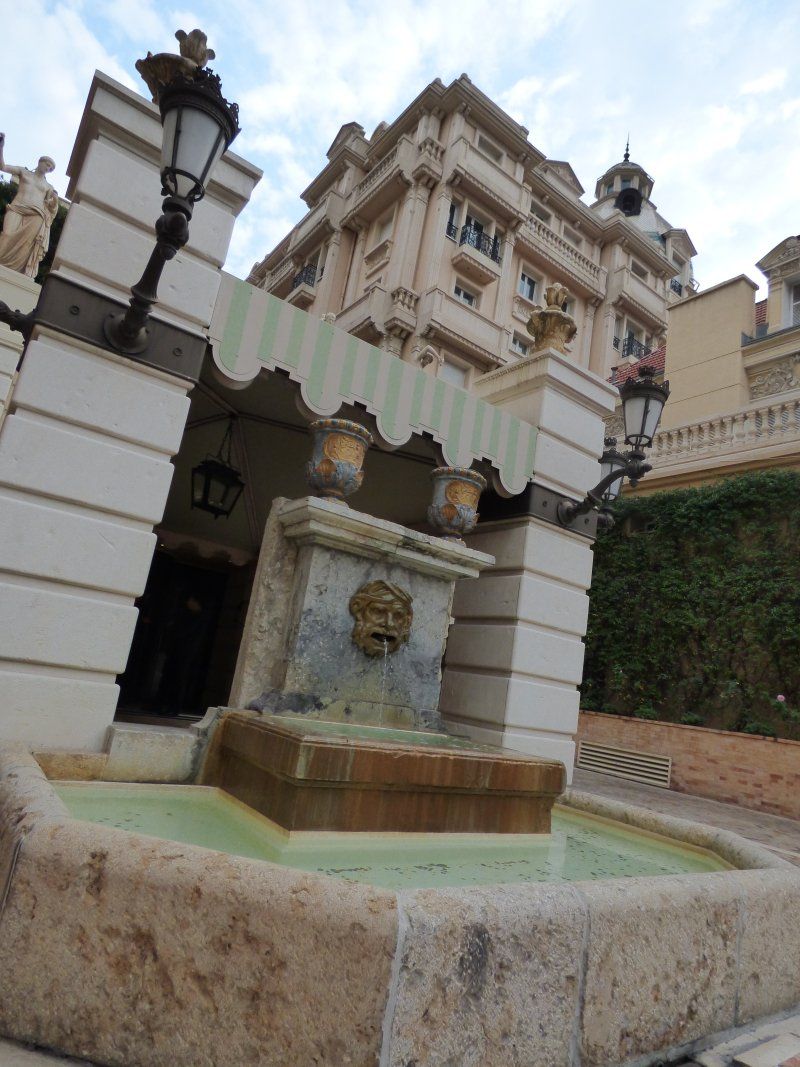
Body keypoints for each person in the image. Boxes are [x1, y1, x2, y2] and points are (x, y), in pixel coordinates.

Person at [0, 133, 59, 279]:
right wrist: (1, 146)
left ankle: (18, 274)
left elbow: (51, 207)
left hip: (36, 215)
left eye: (50, 168)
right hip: (17, 208)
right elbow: (3, 166)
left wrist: (54, 202)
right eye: (47, 164)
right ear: (40, 162)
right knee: (6, 235)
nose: (48, 168)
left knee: (26, 245)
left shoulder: (48, 186)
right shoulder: (24, 172)